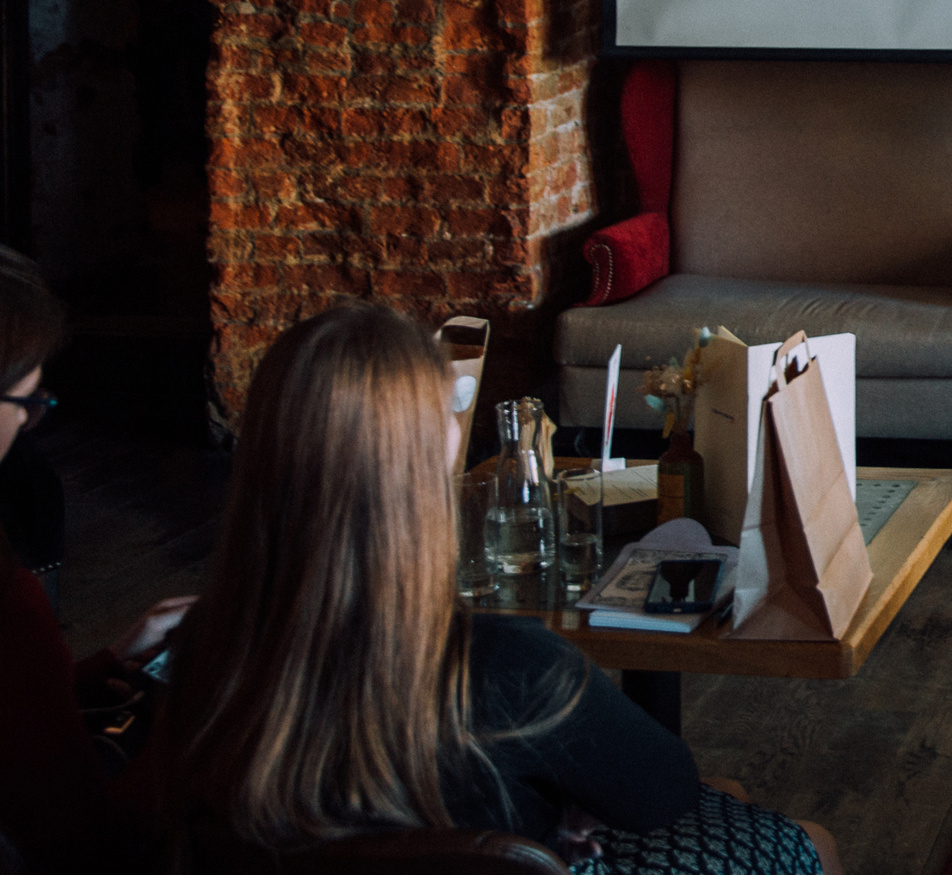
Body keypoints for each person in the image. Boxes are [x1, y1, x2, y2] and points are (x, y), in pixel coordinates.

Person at [151, 303, 841, 874]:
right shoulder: (508, 664)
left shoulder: (202, 651)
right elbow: (662, 792)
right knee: (810, 841)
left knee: (728, 796)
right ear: (423, 463)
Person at [0, 247, 191, 874]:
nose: (27, 430)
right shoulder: (10, 600)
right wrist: (184, 726)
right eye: (26, 406)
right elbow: (87, 843)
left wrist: (102, 664)